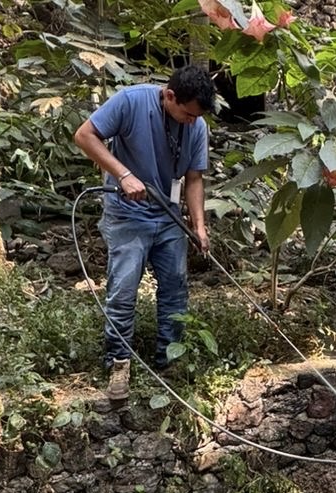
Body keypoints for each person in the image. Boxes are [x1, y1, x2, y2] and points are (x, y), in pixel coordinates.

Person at [73, 65, 215, 400]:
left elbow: (194, 178)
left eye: (198, 116)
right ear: (169, 96)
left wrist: (198, 226)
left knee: (175, 289)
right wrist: (122, 174)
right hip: (126, 214)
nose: (192, 122)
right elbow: (84, 135)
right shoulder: (130, 101)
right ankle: (119, 363)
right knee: (122, 291)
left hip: (167, 215)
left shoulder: (197, 125)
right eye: (187, 114)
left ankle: (170, 359)